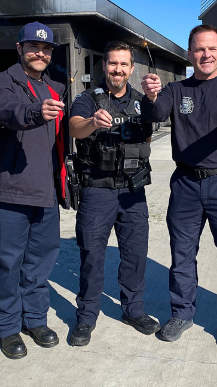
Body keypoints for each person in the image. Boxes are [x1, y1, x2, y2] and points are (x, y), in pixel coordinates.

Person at [140, 24, 217, 356]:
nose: (205, 55)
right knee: (181, 255)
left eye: (212, 48)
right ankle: (181, 314)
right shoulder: (177, 89)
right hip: (186, 183)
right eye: (198, 49)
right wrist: (151, 96)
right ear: (190, 53)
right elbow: (156, 113)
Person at [0, 22, 70, 359]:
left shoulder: (56, 87)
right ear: (20, 48)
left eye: (46, 49)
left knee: (40, 263)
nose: (41, 53)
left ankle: (35, 319)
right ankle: (6, 327)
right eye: (34, 47)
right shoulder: (3, 81)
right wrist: (36, 112)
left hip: (46, 190)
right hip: (12, 189)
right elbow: (5, 111)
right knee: (9, 263)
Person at [68, 41, 159, 346]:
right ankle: (86, 317)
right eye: (112, 64)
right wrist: (93, 122)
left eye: (124, 64)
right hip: (97, 191)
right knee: (92, 255)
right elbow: (74, 127)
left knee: (135, 254)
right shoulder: (87, 99)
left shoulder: (140, 101)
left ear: (131, 68)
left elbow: (146, 135)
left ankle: (133, 310)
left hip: (132, 191)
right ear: (104, 66)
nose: (118, 69)